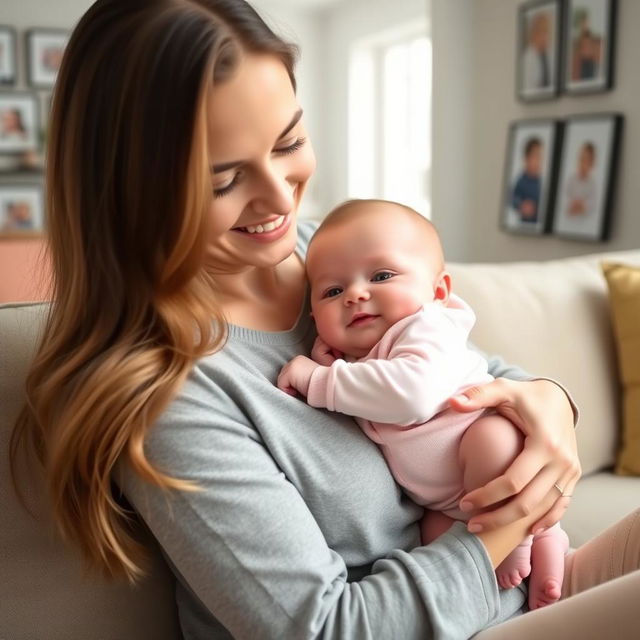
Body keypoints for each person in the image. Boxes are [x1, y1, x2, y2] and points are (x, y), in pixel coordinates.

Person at [9, 1, 639, 638]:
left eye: (289, 143)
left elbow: (462, 364)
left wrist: (552, 401)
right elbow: (324, 629)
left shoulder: (327, 253)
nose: (281, 199)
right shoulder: (168, 390)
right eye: (223, 181)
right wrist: (509, 523)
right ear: (127, 193)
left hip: (526, 593)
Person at [277, 199, 570, 610]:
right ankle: (546, 544)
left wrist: (319, 378)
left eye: (381, 275)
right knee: (431, 540)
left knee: (492, 442)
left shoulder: (427, 326)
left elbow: (409, 393)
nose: (356, 294)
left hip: (480, 447)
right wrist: (338, 361)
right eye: (332, 291)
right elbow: (372, 386)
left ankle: (519, 535)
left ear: (438, 292)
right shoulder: (362, 355)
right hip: (440, 501)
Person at [511, 137, 542, 224]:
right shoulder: (521, 181)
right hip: (527, 223)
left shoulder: (541, 182)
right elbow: (513, 198)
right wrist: (521, 205)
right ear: (526, 159)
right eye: (535, 156)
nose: (538, 161)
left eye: (540, 157)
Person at [521, 10, 553, 92]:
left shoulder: (550, 54)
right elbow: (528, 90)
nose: (546, 37)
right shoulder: (528, 58)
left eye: (547, 32)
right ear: (534, 33)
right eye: (543, 32)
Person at [565, 142, 597, 217]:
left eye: (586, 161)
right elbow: (564, 197)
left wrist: (583, 205)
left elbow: (593, 204)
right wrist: (572, 203)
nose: (582, 164)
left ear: (592, 164)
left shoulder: (592, 184)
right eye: (581, 159)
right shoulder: (571, 179)